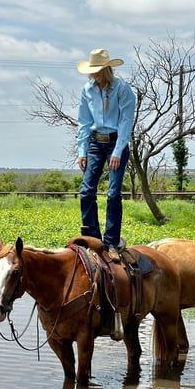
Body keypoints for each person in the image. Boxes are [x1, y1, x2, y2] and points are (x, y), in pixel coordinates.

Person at [76, 48, 136, 262]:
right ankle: (93, 239)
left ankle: (111, 242)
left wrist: (118, 151)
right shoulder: (87, 90)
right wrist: (81, 150)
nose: (95, 74)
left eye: (98, 70)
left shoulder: (122, 89)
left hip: (115, 142)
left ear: (107, 69)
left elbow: (126, 121)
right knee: (86, 191)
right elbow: (83, 122)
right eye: (93, 71)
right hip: (94, 142)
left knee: (112, 193)